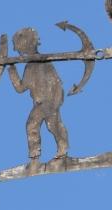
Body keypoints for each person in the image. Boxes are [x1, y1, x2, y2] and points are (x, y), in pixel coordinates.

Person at [7, 28, 69, 166]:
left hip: (50, 102)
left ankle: (62, 150)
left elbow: (58, 83)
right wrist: (11, 70)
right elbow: (20, 88)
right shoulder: (29, 67)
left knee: (53, 126)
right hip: (39, 104)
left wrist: (56, 102)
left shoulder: (45, 64)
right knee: (34, 125)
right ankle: (35, 156)